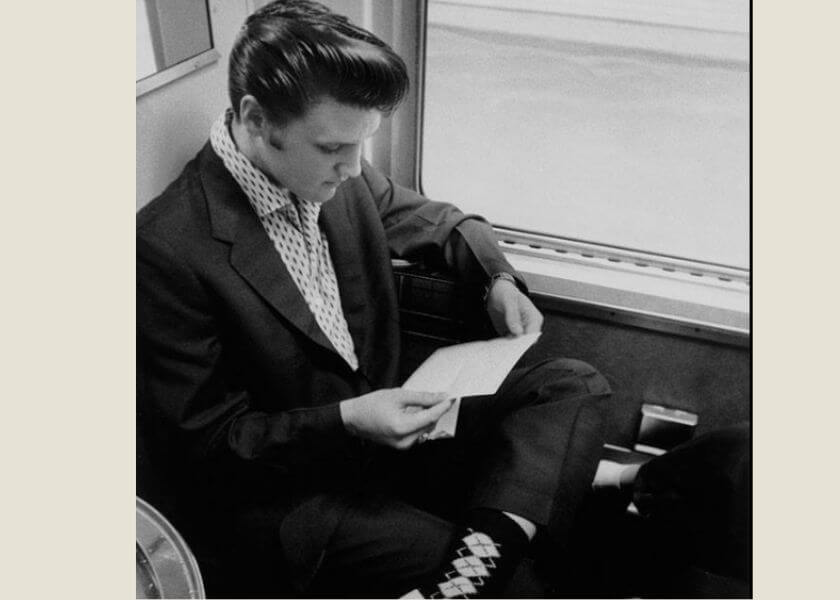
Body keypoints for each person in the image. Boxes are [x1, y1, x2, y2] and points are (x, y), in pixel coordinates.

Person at [138, 1, 740, 597]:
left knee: (571, 383)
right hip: (297, 498)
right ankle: (507, 551)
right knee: (534, 582)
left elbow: (440, 221)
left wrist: (497, 280)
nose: (352, 168)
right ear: (255, 117)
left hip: (387, 437)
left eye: (362, 146)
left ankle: (471, 576)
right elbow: (211, 450)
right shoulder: (167, 248)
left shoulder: (336, 172)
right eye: (332, 149)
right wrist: (350, 421)